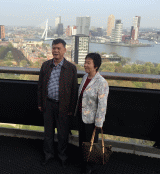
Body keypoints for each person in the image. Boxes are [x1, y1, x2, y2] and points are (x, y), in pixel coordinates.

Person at [38, 38, 78, 168]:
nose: (55, 51)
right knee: (48, 133)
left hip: (64, 106)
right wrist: (40, 103)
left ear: (64, 50)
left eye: (58, 48)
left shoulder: (71, 68)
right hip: (48, 104)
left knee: (63, 134)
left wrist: (72, 108)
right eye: (54, 48)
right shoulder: (45, 65)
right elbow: (40, 86)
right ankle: (48, 155)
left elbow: (74, 90)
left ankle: (63, 156)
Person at [74, 53, 109, 174]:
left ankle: (90, 165)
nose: (85, 65)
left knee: (91, 143)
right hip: (81, 115)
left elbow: (102, 105)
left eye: (88, 63)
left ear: (96, 66)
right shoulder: (85, 77)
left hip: (92, 120)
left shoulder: (102, 82)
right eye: (85, 62)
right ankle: (83, 161)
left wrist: (99, 123)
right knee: (83, 141)